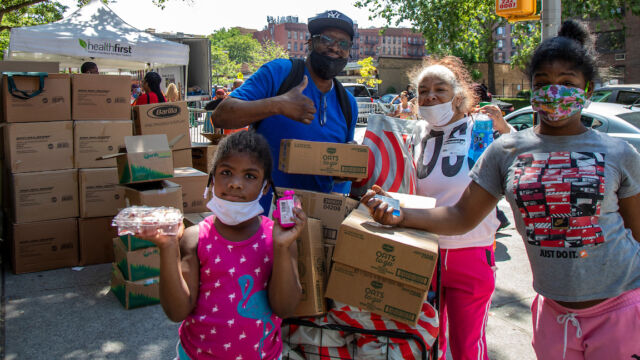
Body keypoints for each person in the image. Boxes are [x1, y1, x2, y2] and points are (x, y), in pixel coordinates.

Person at [362, 20, 640, 360]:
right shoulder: (506, 150)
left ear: (588, 88)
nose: (554, 92)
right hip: (550, 311)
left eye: (567, 83)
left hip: (620, 309)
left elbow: (637, 233)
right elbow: (461, 215)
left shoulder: (619, 153)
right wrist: (399, 215)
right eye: (542, 83)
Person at [135, 131, 306, 360]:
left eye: (250, 176)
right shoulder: (195, 238)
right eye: (226, 172)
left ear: (266, 187)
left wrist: (283, 247)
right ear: (212, 179)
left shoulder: (277, 239)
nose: (235, 184)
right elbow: (177, 312)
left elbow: (285, 308)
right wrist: (168, 248)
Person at [399, 56, 511, 360]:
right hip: (423, 252)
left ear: (458, 96)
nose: (431, 96)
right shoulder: (414, 133)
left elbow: (519, 165)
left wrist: (507, 130)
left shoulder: (481, 128)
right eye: (423, 91)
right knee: (425, 344)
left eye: (440, 89)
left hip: (471, 252)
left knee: (467, 346)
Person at [213, 10, 358, 212]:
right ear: (310, 43)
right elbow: (221, 116)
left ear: (349, 51)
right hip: (261, 217)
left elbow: (339, 180)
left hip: (313, 221)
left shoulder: (348, 103)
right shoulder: (280, 72)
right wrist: (278, 104)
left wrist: (346, 169)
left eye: (343, 43)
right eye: (327, 39)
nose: (334, 47)